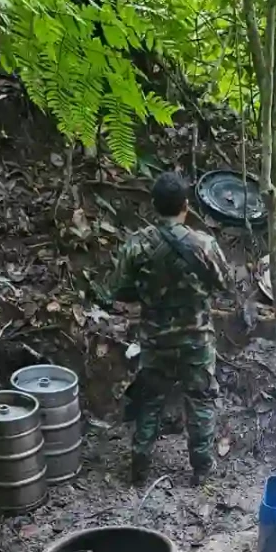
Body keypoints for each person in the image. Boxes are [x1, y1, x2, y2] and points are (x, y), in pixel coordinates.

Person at [105, 171, 233, 484]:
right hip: (196, 339)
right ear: (186, 205)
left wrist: (149, 293)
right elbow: (226, 284)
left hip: (155, 339)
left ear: (153, 205)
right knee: (201, 401)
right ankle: (202, 470)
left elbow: (119, 290)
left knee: (150, 400)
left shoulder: (136, 245)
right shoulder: (204, 244)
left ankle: (139, 468)